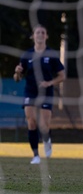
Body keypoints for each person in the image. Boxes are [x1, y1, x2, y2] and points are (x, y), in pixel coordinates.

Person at [13, 24, 65, 165]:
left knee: (44, 125)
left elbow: (62, 75)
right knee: (31, 121)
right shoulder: (27, 55)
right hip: (30, 91)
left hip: (46, 92)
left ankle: (47, 139)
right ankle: (35, 155)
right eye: (37, 32)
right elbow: (17, 79)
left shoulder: (51, 55)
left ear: (46, 36)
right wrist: (17, 72)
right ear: (33, 36)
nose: (40, 34)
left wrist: (49, 83)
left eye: (43, 32)